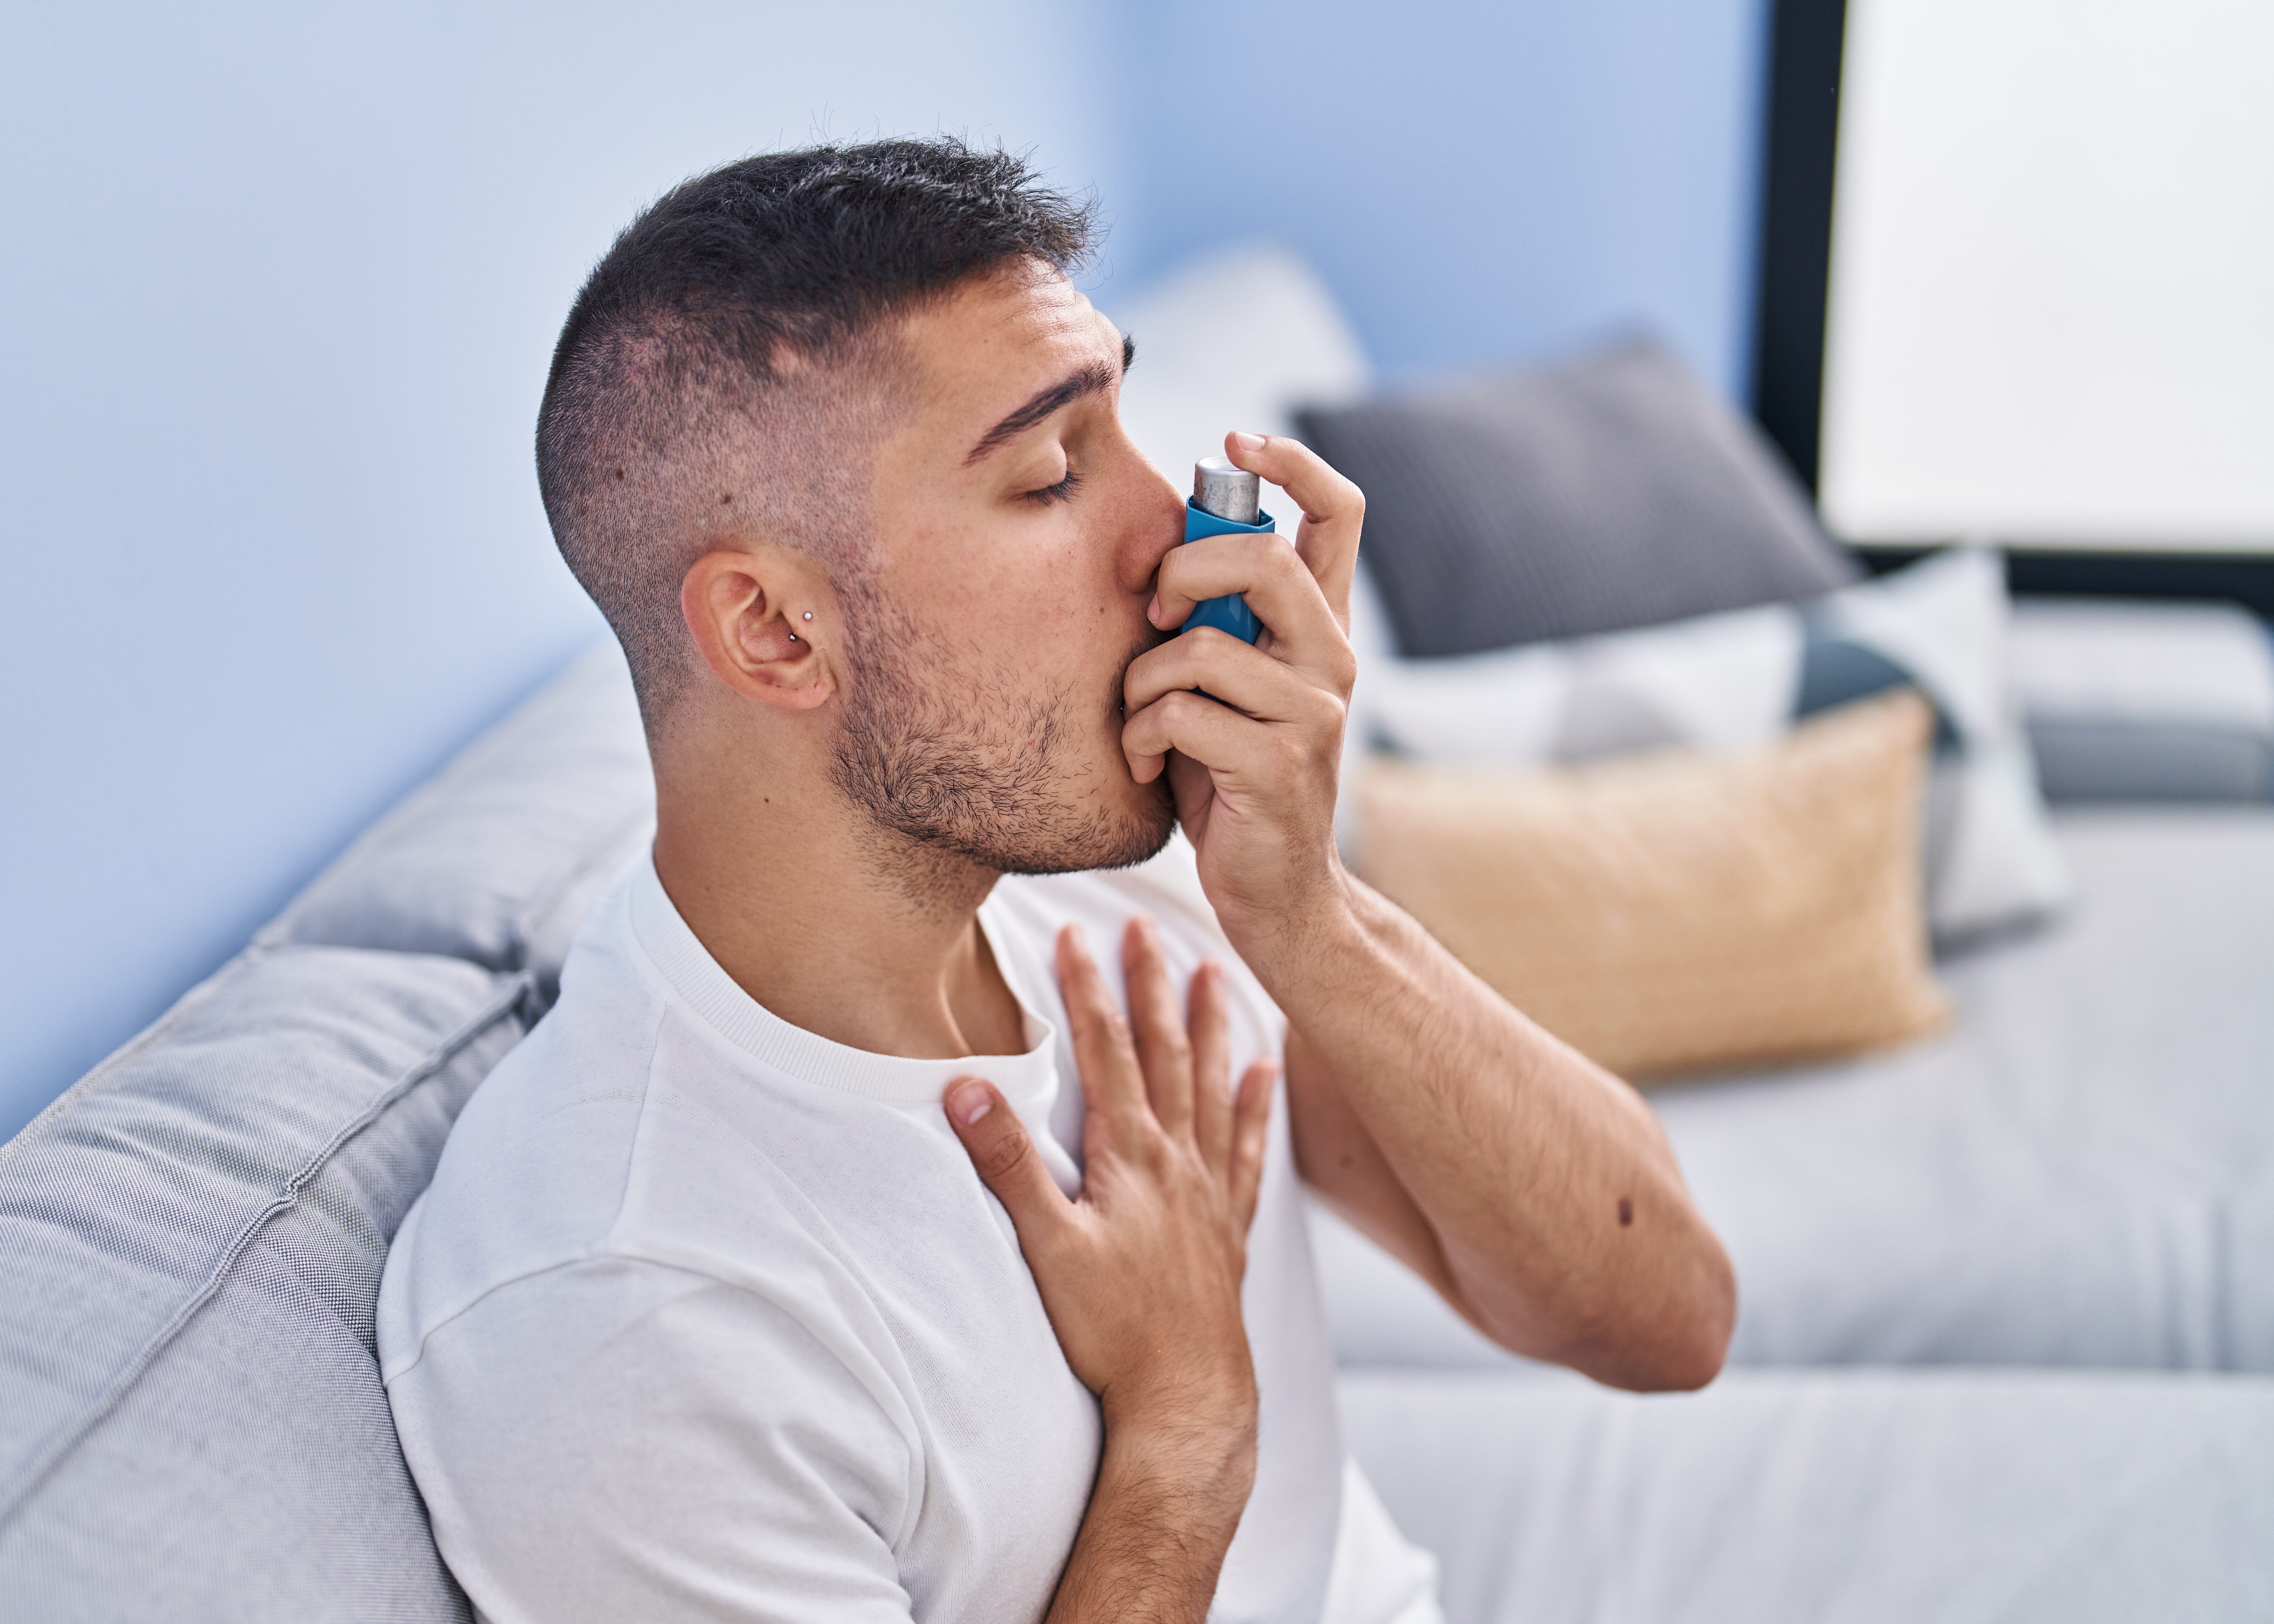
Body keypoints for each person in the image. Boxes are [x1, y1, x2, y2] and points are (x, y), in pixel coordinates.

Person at [376, 138, 1735, 1623]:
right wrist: (1184, 1434)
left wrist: (1311, 919)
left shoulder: (1116, 893)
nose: (1175, 533)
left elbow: (1665, 1318)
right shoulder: (622, 1315)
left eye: (1127, 425)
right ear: (771, 632)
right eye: (1047, 477)